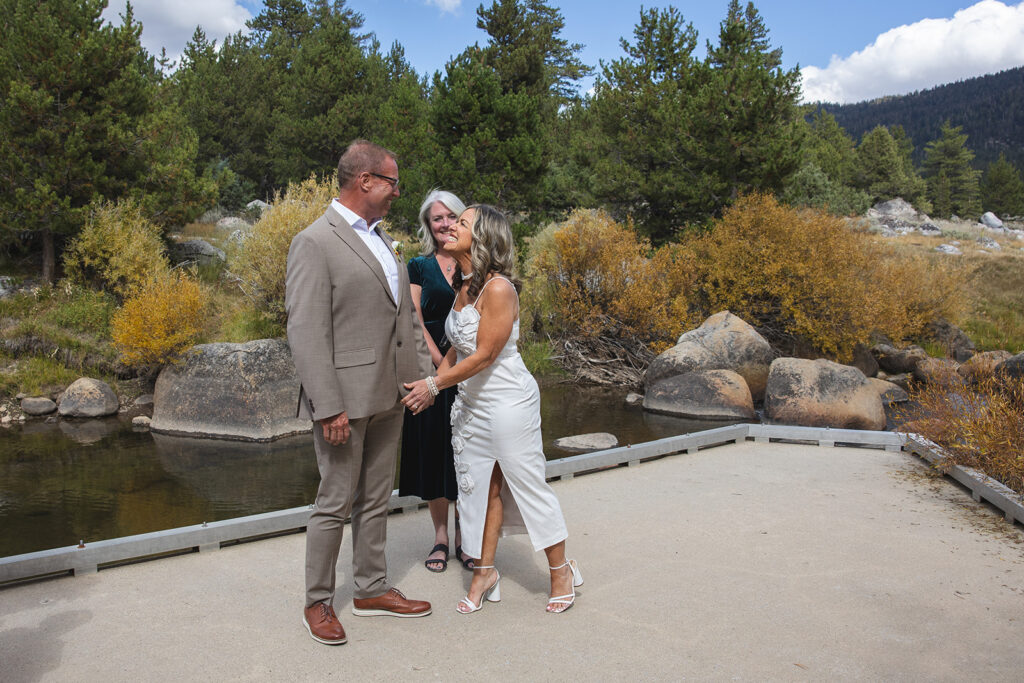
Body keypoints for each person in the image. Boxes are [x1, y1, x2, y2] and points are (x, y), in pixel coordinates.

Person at [285, 139, 436, 646]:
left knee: (375, 498)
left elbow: (405, 318)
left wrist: (419, 380)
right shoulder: (314, 241)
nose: (398, 191)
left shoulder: (383, 239)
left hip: (389, 396)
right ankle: (318, 602)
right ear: (364, 181)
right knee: (334, 502)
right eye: (393, 181)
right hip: (343, 402)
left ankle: (371, 589)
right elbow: (305, 331)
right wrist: (328, 406)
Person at [402, 205, 583, 614]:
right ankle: (484, 571)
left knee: (527, 484)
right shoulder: (465, 286)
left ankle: (560, 571)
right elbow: (456, 346)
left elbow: (484, 355)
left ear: (482, 237)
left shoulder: (499, 289)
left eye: (461, 223)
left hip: (507, 403)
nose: (449, 226)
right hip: (469, 406)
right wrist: (434, 388)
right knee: (479, 490)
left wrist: (433, 384)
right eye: (449, 222)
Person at [398, 190, 477, 573]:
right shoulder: (417, 266)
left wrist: (455, 368)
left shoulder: (475, 265)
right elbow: (413, 318)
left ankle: (467, 535)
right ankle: (441, 536)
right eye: (436, 219)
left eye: (451, 217)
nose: (444, 224)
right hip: (429, 371)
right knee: (434, 452)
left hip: (470, 370)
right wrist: (436, 367)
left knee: (466, 451)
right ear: (428, 226)